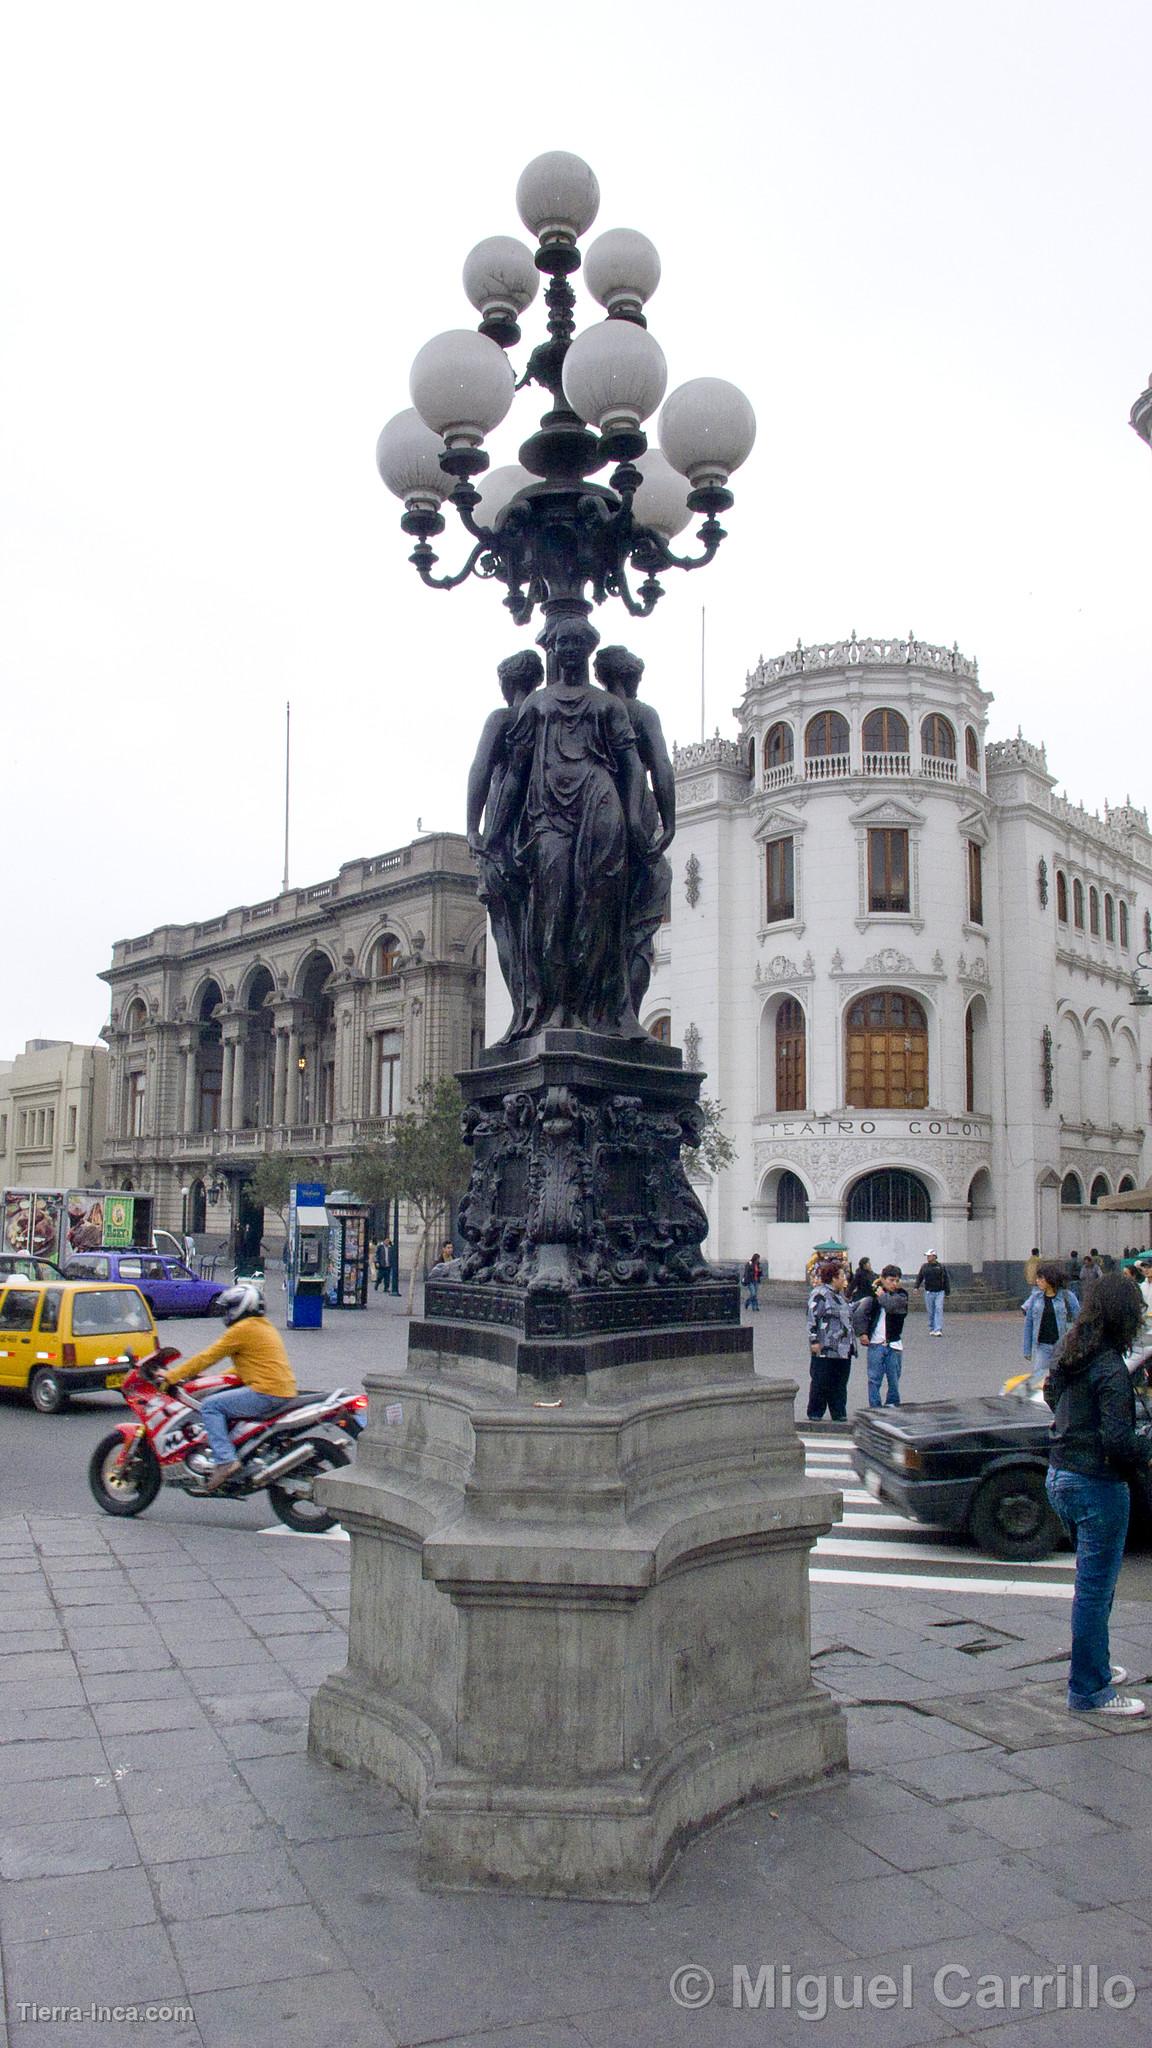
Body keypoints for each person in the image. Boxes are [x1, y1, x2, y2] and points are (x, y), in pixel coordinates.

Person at [1044, 1274, 1152, 1716]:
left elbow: (1052, 1394)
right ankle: (1089, 1689)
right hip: (1097, 1485)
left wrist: (1077, 1430)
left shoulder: (1074, 1350)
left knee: (1093, 1585)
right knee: (1095, 1588)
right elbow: (1120, 1443)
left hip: (1061, 1476)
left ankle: (1096, 1666)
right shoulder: (1109, 1366)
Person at [466, 649, 545, 1039]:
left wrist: (472, 827)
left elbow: (480, 771)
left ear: (508, 683)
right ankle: (535, 1009)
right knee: (537, 930)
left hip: (504, 833)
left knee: (508, 930)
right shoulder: (546, 719)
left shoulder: (503, 719)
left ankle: (523, 1011)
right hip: (542, 834)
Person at [595, 645, 675, 1015]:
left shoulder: (590, 711)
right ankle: (626, 1014)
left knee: (598, 924)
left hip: (591, 817)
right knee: (639, 929)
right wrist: (669, 821)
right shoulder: (641, 714)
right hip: (635, 815)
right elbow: (660, 765)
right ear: (631, 678)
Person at [160, 1285, 297, 1493]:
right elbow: (249, 1364)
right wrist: (213, 1379)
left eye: (229, 1308)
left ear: (242, 1307)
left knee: (211, 1406)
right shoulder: (263, 1326)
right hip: (279, 1389)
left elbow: (207, 1357)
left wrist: (171, 1376)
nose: (226, 1313)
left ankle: (225, 1460)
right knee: (223, 1400)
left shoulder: (242, 1329)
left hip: (266, 1392)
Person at [806, 1260, 856, 1421]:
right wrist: (813, 1340)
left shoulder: (840, 1296)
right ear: (833, 1278)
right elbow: (812, 1318)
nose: (844, 1280)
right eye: (842, 1276)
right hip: (826, 1346)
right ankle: (815, 1412)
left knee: (840, 1382)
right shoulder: (820, 1294)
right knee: (821, 1380)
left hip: (843, 1348)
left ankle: (839, 1411)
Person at [856, 1265, 910, 1407]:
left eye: (897, 1280)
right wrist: (862, 1333)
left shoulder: (902, 1295)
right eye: (891, 1280)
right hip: (875, 1343)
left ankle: (892, 1404)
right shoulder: (872, 1296)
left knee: (893, 1379)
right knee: (874, 1379)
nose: (894, 1284)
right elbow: (860, 1313)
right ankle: (875, 1406)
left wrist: (881, 1295)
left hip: (893, 1344)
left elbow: (891, 1305)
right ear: (883, 1279)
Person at [1021, 1262, 1079, 1375]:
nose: (1037, 1281)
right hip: (1042, 1346)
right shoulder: (1035, 1298)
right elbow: (1029, 1323)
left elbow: (1079, 1321)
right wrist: (1027, 1349)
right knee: (1038, 1378)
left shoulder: (1067, 1296)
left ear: (1050, 1279)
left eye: (1040, 1278)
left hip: (1063, 1347)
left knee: (1063, 1377)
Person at [913, 1249, 951, 1336]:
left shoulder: (941, 1267)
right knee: (931, 1311)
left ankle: (938, 1328)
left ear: (934, 1256)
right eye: (927, 1256)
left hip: (939, 1292)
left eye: (929, 1256)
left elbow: (946, 1280)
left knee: (938, 1309)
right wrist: (916, 1287)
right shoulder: (924, 1267)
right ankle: (932, 1327)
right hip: (929, 1292)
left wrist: (947, 1292)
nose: (928, 1258)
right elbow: (920, 1277)